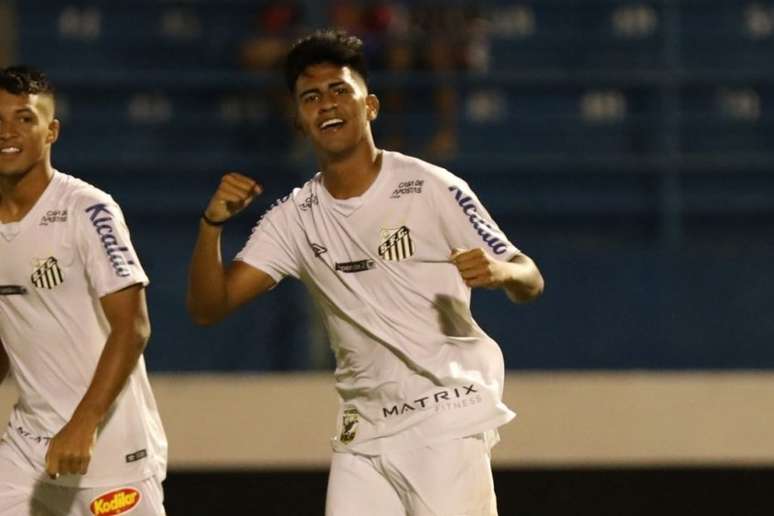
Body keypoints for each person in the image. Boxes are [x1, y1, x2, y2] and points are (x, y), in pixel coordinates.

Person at [188, 29, 543, 516]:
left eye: (339, 90)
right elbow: (211, 307)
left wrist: (500, 271)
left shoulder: (431, 186)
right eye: (310, 97)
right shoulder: (293, 217)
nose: (326, 104)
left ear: (370, 105)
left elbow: (530, 277)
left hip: (444, 420)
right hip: (363, 434)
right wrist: (212, 226)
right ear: (298, 120)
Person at [0, 66, 167, 515]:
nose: (7, 132)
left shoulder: (87, 210)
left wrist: (83, 424)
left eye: (24, 118)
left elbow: (132, 326)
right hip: (28, 444)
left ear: (51, 130)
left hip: (111, 448)